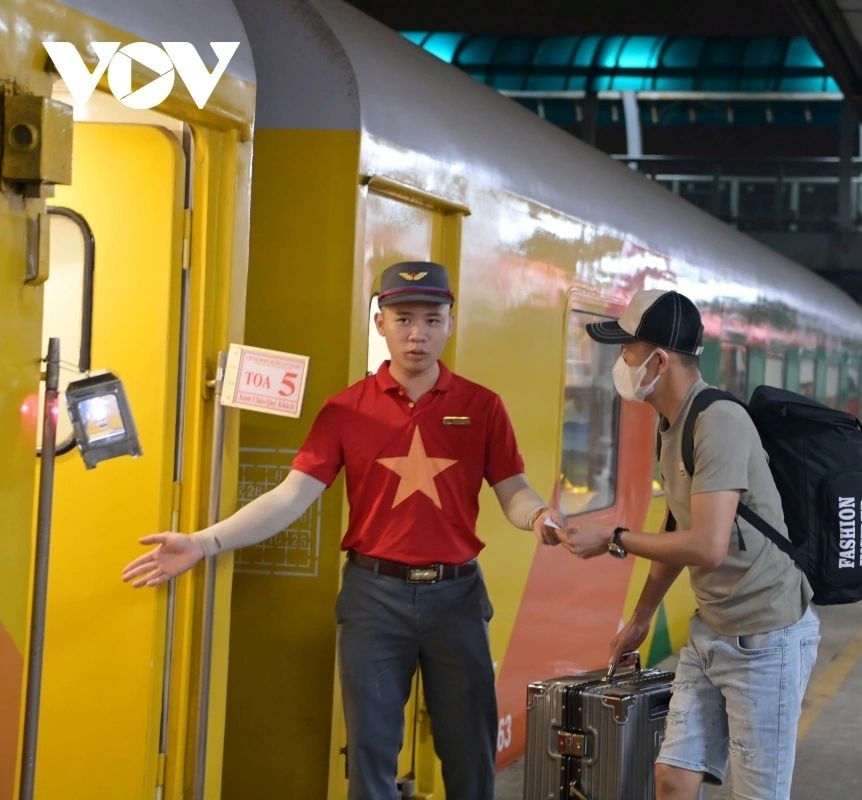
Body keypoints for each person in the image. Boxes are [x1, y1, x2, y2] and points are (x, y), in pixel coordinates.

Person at [122, 262, 564, 799]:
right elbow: (291, 496)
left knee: (469, 752)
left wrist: (539, 517)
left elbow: (512, 489)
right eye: (403, 318)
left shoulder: (481, 407)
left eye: (431, 318)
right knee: (370, 753)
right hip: (373, 599)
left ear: (451, 321)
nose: (417, 333)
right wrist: (203, 542)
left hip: (457, 597)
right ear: (380, 323)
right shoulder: (345, 410)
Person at [556, 288, 820, 800]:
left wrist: (613, 538)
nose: (621, 362)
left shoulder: (717, 420)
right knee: (673, 780)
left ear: (658, 359)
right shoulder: (672, 422)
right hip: (712, 629)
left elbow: (708, 546)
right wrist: (641, 616)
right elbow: (680, 523)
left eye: (627, 351)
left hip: (766, 637)